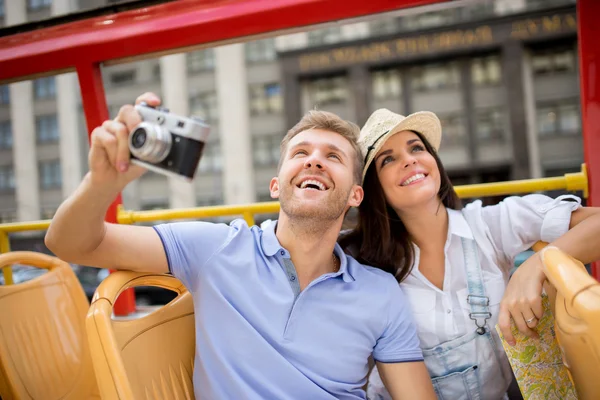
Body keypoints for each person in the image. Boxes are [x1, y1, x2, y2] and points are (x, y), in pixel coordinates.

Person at [45, 93, 437, 400]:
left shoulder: (381, 292)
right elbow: (71, 243)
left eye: (332, 156)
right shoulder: (215, 248)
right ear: (276, 184)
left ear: (355, 195)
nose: (314, 162)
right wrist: (103, 183)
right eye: (301, 153)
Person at [339, 108, 600, 399]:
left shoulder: (490, 225)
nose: (409, 159)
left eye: (417, 148)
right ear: (374, 189)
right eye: (389, 159)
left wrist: (539, 263)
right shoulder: (359, 260)